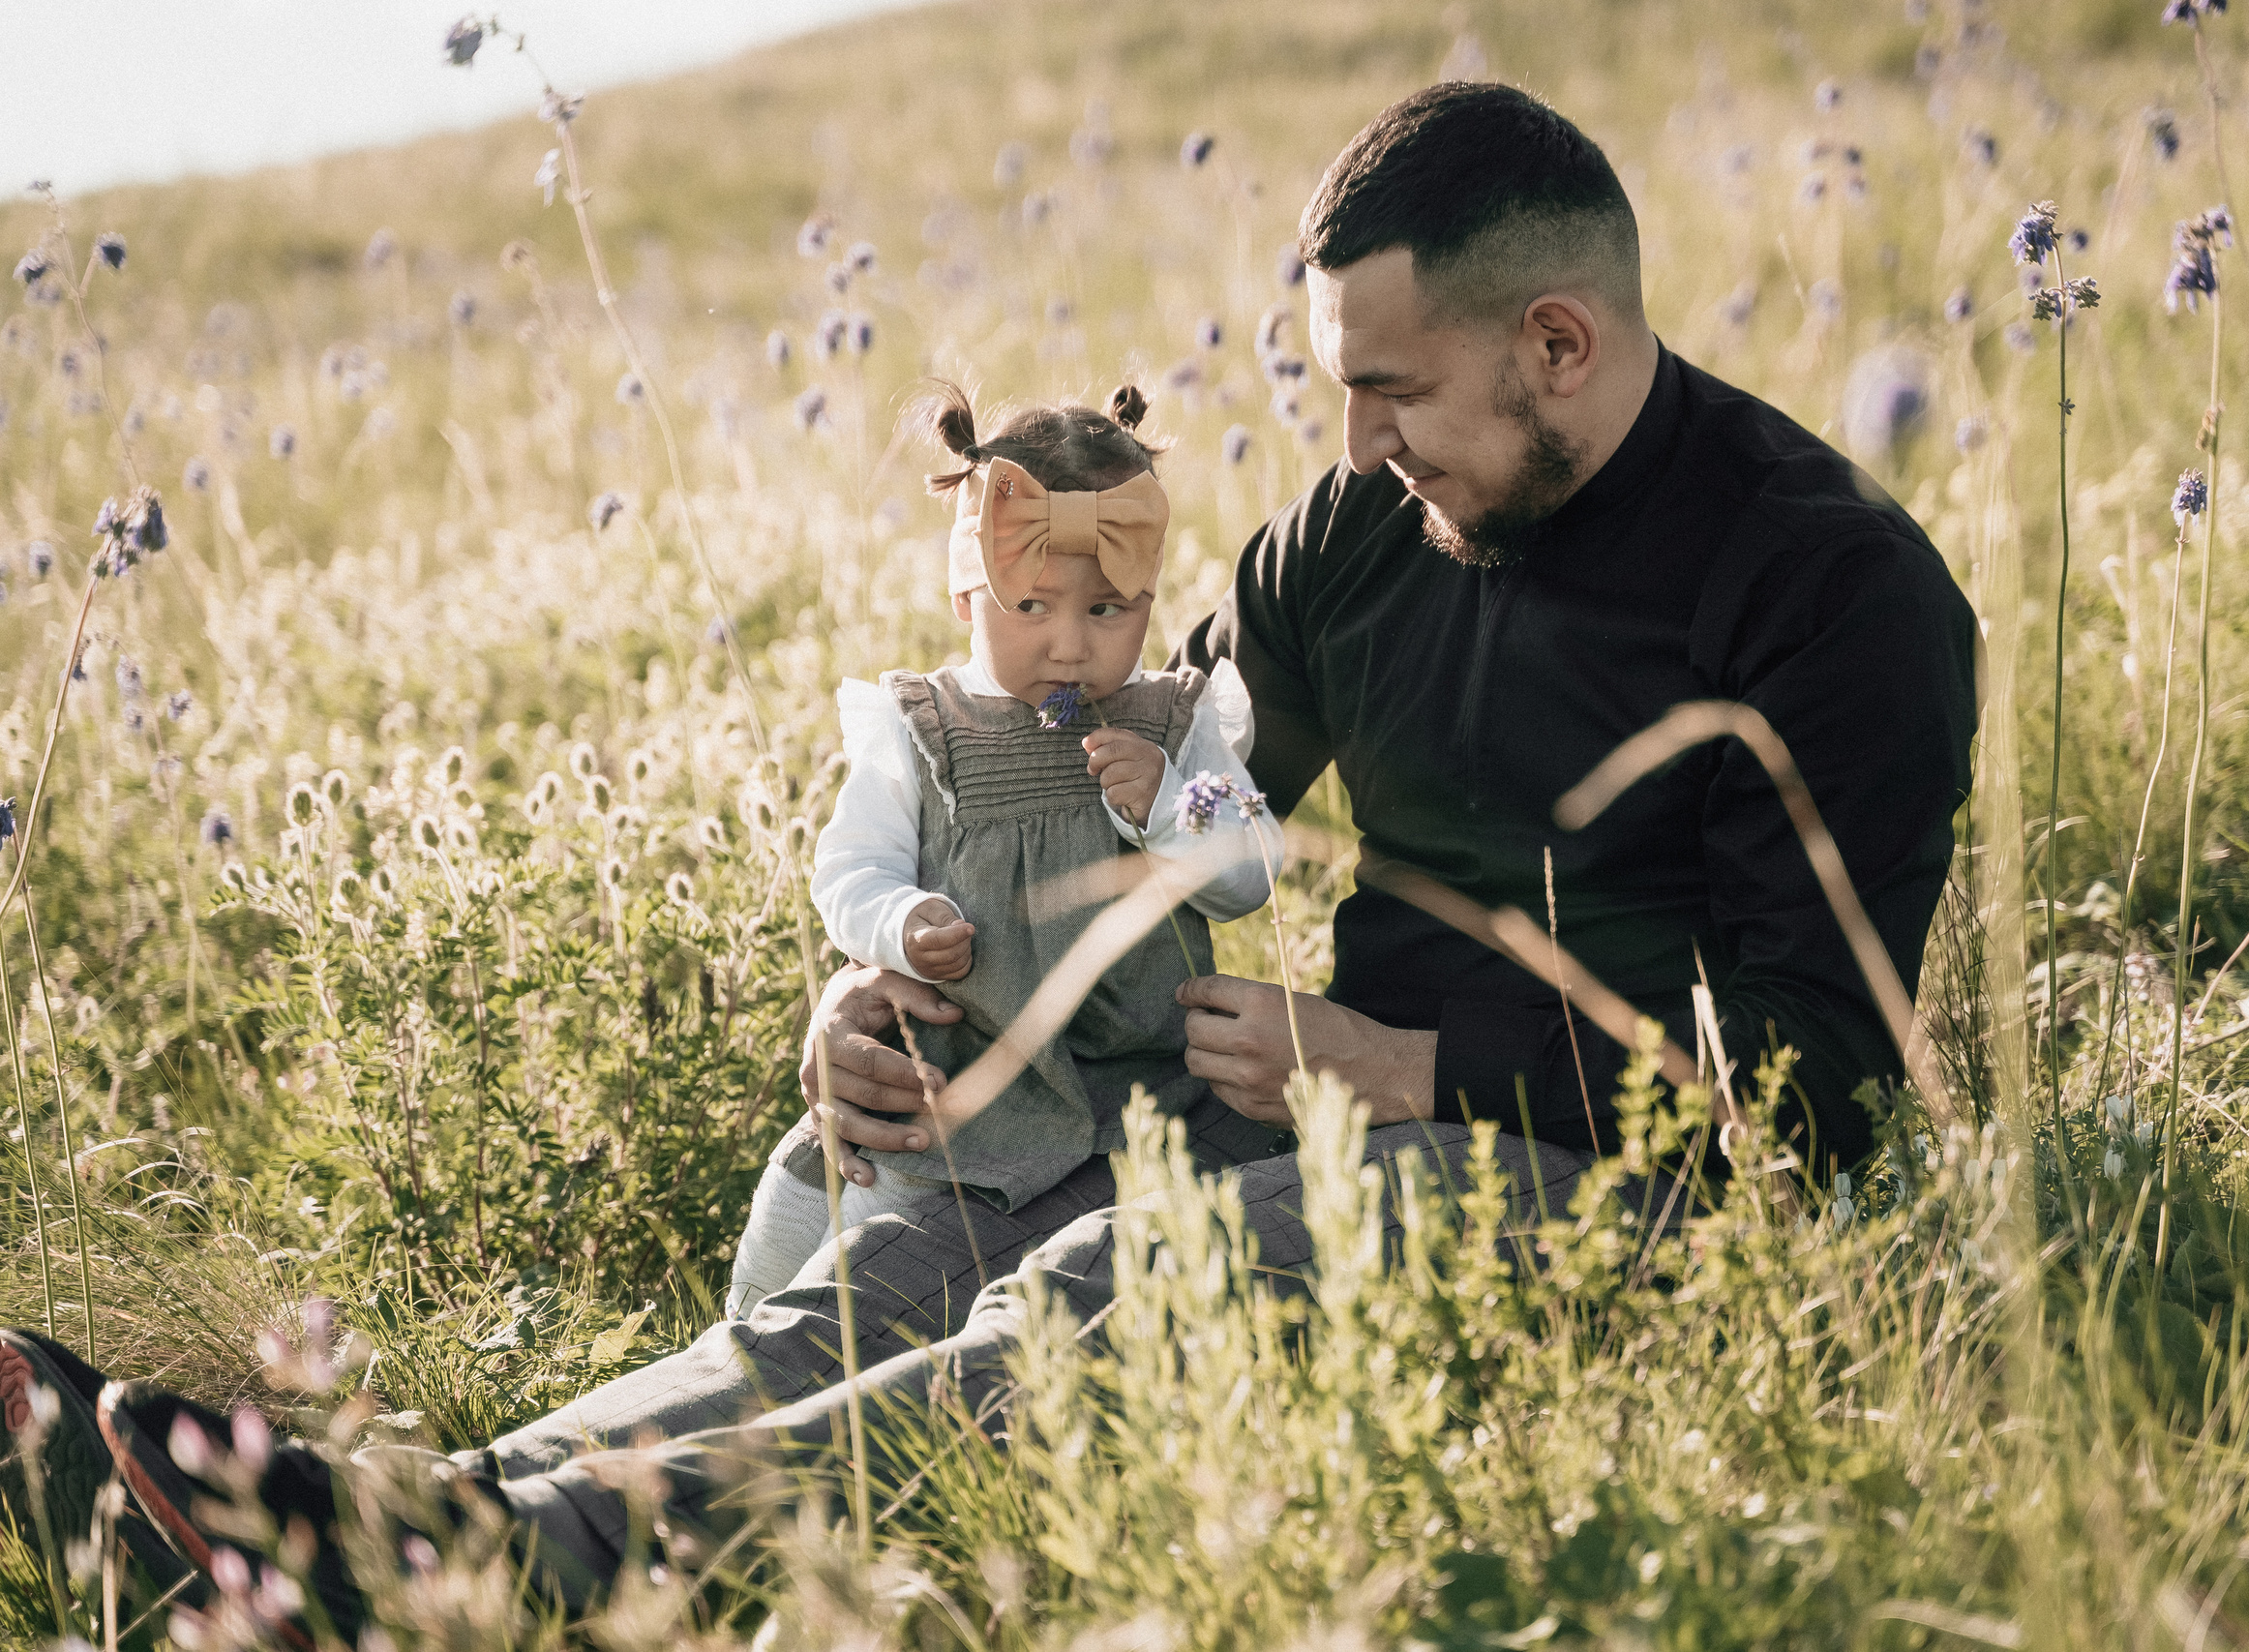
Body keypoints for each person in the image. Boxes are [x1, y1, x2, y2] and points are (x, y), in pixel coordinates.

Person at [0, 80, 1976, 1637]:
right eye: (1335, 390)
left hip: (1620, 1188)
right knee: (908, 1240)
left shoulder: (1827, 592)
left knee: (1121, 1269)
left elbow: (1814, 1090)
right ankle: (306, 1522)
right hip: (1302, 1113)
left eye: (1391, 392)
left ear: (1553, 339)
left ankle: (486, 1576)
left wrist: (1394, 1070)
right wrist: (890, 987)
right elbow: (1125, 833)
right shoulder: (1349, 546)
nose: (1355, 442)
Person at [725, 381, 1284, 1318]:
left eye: (1108, 611)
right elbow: (848, 872)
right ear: (963, 593)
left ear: (1149, 596)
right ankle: (740, 1329)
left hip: (1137, 1093)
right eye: (1030, 606)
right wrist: (902, 923)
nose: (1069, 645)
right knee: (823, 1207)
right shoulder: (923, 730)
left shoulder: (1175, 725)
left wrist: (1175, 812)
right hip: (960, 1086)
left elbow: (1252, 869)